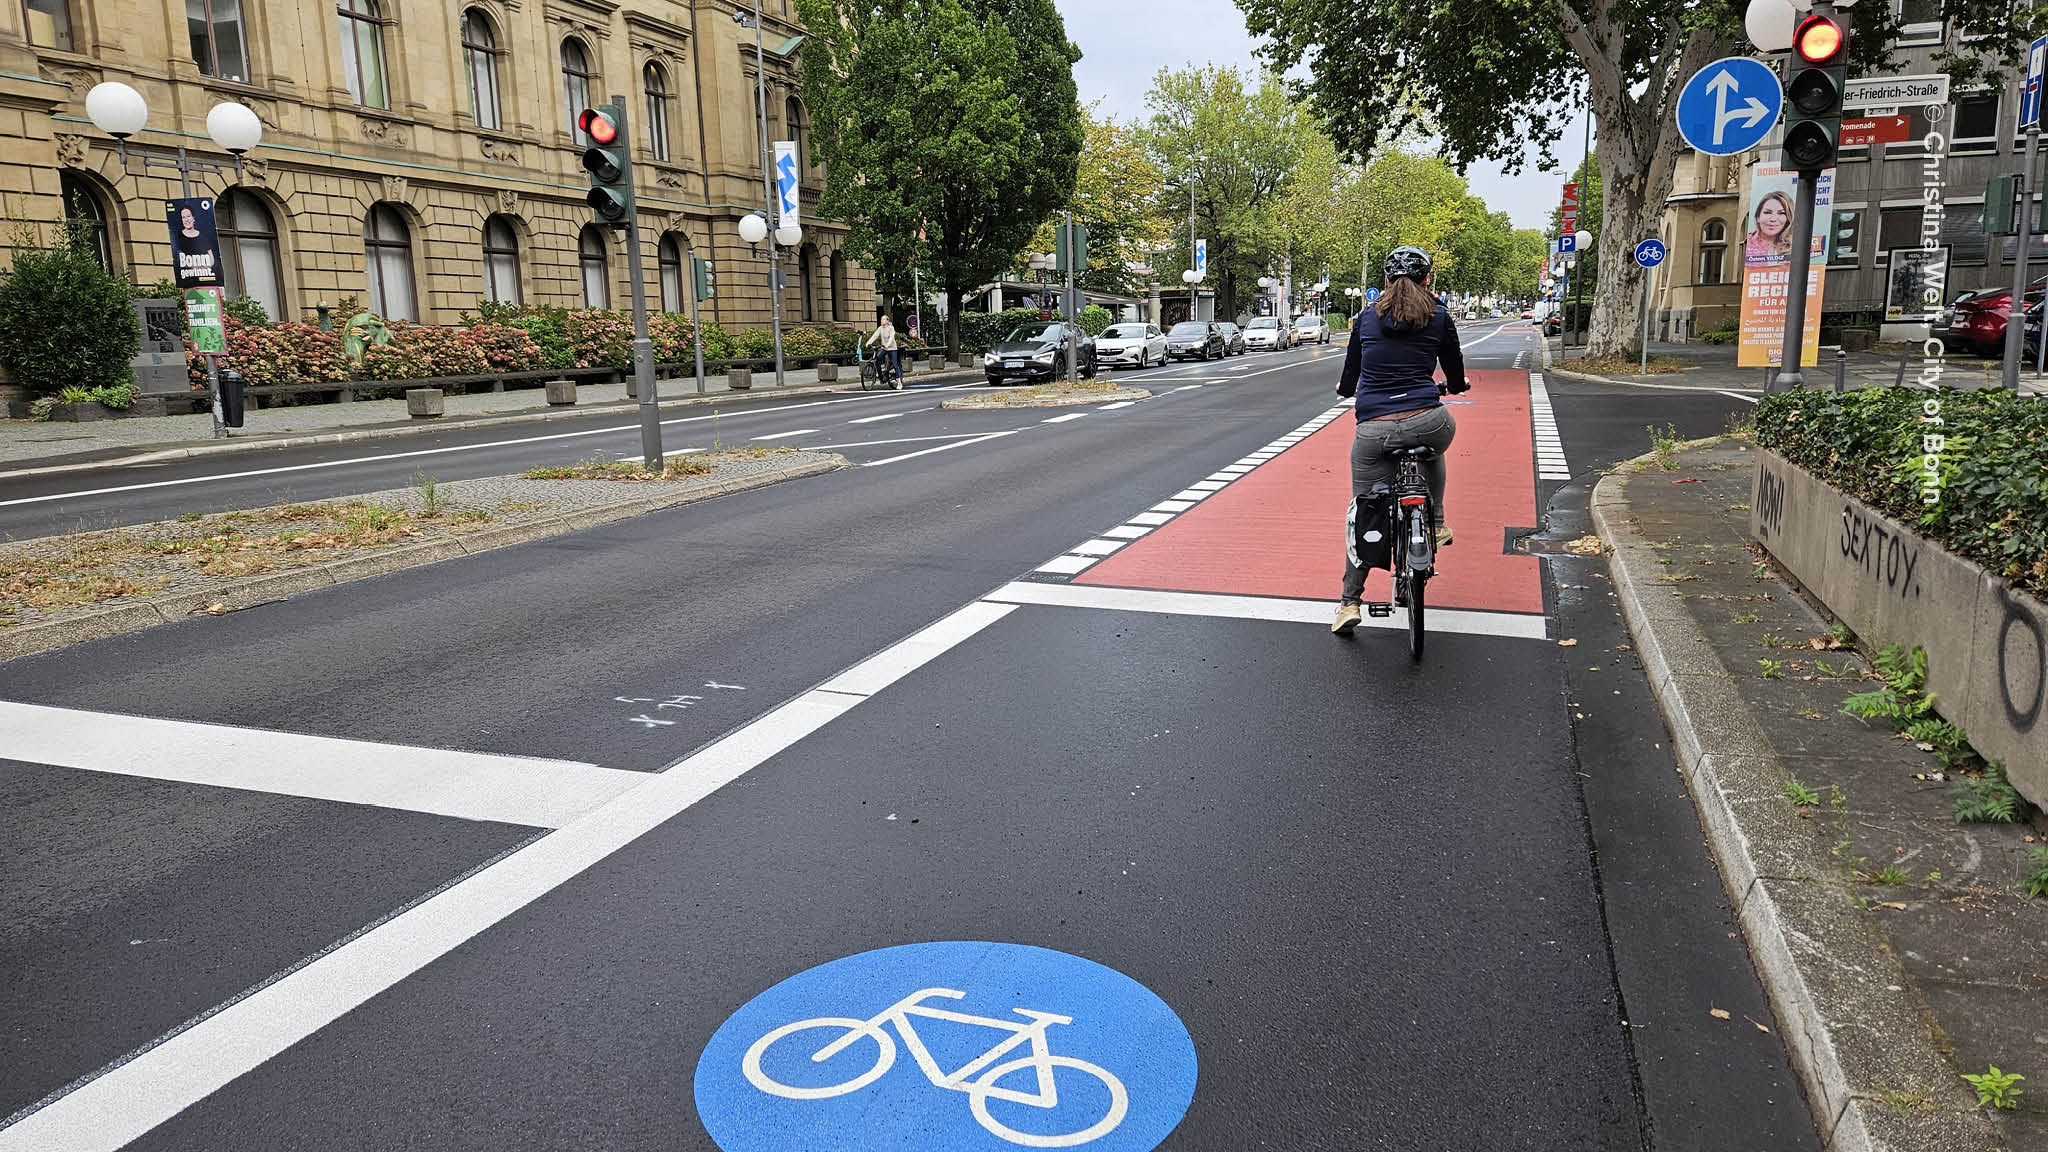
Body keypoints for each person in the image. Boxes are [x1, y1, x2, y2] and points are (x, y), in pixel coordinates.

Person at [1331, 244, 1469, 635]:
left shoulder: (1365, 318)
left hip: (1374, 429)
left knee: (1364, 511)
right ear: (1427, 279)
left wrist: (1345, 390)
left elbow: (1351, 373)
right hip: (1427, 420)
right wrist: (1456, 385)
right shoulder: (1439, 316)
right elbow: (1454, 369)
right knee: (1434, 449)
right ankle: (1436, 523)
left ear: (1386, 280)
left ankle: (1349, 603)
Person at [1746, 190, 1794, 265]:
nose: (1773, 219)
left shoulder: (1795, 246)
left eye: (1781, 213)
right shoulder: (1748, 242)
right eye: (1767, 212)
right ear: (1758, 217)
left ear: (1788, 219)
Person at [862, 306, 901, 388]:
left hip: (892, 348)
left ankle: (899, 382)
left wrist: (888, 344)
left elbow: (891, 337)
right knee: (876, 359)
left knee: (894, 364)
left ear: (887, 321)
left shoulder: (891, 328)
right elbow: (875, 336)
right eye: (881, 319)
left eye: (883, 319)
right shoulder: (880, 328)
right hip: (884, 348)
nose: (882, 321)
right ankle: (881, 376)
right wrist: (868, 342)